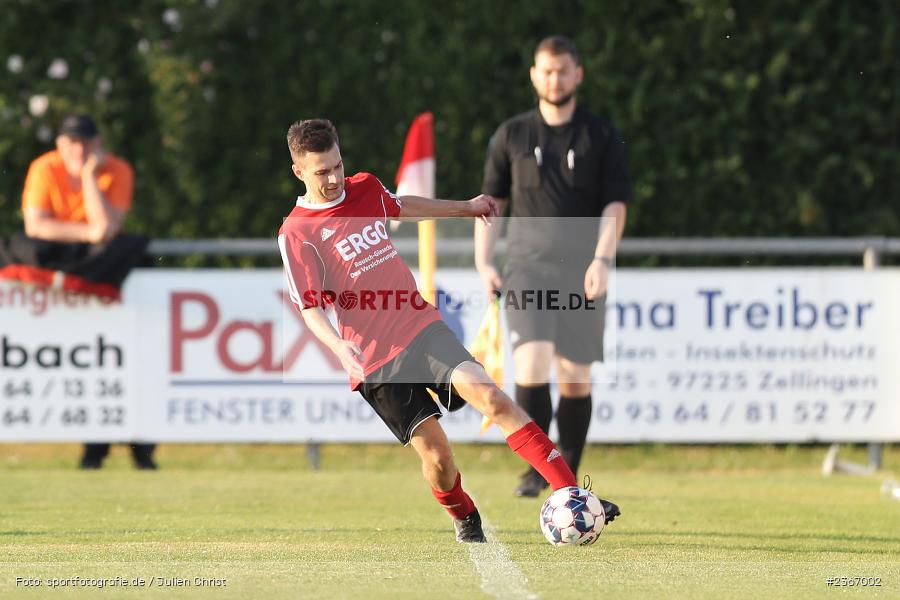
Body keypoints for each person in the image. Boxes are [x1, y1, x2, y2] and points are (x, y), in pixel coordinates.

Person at [278, 119, 619, 543]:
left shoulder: (364, 187)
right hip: (376, 361)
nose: (333, 178)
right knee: (439, 458)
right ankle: (463, 512)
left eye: (337, 166)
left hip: (420, 326)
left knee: (491, 397)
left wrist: (468, 206)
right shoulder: (297, 233)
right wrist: (337, 348)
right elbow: (309, 307)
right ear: (299, 172)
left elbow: (405, 207)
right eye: (321, 172)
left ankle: (569, 492)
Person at [476, 36, 632, 497]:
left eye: (563, 70)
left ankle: (569, 478)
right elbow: (493, 202)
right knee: (531, 366)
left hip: (583, 271)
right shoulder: (512, 134)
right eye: (546, 70)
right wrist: (484, 261)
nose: (554, 79)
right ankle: (538, 470)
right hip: (527, 268)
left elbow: (615, 204)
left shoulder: (600, 134)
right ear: (533, 74)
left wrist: (603, 258)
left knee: (574, 377)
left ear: (577, 74)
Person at [20, 113, 156, 470]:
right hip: (67, 270)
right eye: (71, 143)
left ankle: (136, 449)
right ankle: (95, 450)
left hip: (105, 281)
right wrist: (89, 236)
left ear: (97, 144)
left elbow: (109, 229)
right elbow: (36, 226)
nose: (78, 149)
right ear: (60, 145)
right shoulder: (43, 168)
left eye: (84, 142)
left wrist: (88, 178)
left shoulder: (116, 169)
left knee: (123, 362)